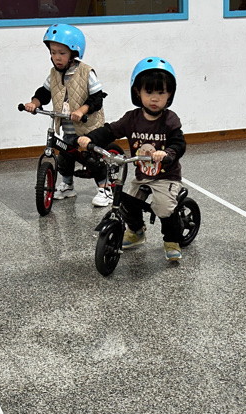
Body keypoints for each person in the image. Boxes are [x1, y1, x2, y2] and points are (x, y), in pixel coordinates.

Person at [77, 57, 187, 262]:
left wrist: (168, 153)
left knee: (163, 208)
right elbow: (110, 130)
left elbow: (179, 143)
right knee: (125, 204)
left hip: (166, 176)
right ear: (137, 92)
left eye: (161, 93)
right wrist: (90, 138)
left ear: (170, 94)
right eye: (149, 92)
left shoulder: (170, 120)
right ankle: (136, 232)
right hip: (143, 175)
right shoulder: (132, 119)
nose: (154, 98)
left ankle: (172, 240)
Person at [22, 23, 112, 207]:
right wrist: (34, 103)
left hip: (88, 127)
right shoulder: (54, 74)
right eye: (53, 52)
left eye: (62, 53)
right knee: (65, 156)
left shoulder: (86, 72)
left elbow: (97, 98)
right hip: (68, 128)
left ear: (74, 53)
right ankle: (68, 185)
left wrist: (81, 110)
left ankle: (105, 188)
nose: (57, 57)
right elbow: (44, 93)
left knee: (91, 159)